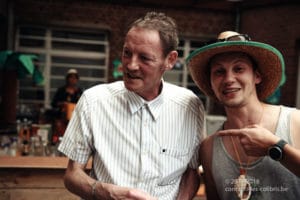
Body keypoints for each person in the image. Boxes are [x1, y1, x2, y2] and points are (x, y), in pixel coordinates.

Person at [58, 12, 205, 200]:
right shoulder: (93, 101)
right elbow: (72, 175)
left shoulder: (190, 106)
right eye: (127, 53)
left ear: (170, 60)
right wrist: (106, 192)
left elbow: (191, 172)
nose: (131, 65)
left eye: (144, 58)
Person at [187, 31, 300, 200]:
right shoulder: (209, 149)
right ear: (211, 82)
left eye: (239, 69)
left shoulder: (294, 121)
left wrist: (276, 147)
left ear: (257, 76)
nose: (228, 79)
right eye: (219, 71)